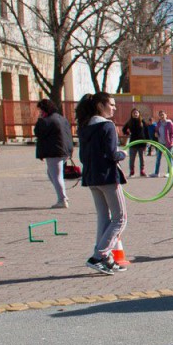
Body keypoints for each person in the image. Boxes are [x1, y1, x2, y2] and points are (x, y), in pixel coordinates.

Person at [76, 92, 127, 276]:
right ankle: (99, 256)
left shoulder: (84, 126)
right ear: (100, 105)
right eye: (111, 104)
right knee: (120, 218)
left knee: (104, 218)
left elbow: (82, 156)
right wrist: (122, 154)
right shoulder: (107, 125)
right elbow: (112, 153)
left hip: (91, 177)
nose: (114, 108)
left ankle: (106, 258)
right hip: (107, 177)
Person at [33, 98, 73, 209]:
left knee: (56, 176)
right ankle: (63, 196)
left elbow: (37, 132)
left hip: (54, 151)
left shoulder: (46, 121)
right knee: (52, 174)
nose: (40, 112)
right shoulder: (61, 118)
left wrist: (40, 119)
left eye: (40, 110)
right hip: (64, 150)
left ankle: (62, 199)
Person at [122, 108, 148, 177]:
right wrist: (127, 133)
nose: (135, 114)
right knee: (132, 158)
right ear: (132, 114)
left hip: (142, 142)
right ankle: (132, 171)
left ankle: (142, 171)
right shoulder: (130, 122)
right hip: (133, 142)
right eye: (134, 113)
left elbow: (146, 131)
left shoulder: (142, 121)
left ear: (139, 114)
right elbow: (124, 129)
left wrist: (147, 141)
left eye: (136, 113)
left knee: (142, 158)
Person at [151, 111, 173, 177]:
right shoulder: (159, 123)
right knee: (158, 158)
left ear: (166, 115)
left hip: (169, 144)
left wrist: (171, 141)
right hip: (161, 143)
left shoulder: (169, 123)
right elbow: (157, 130)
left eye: (163, 115)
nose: (162, 116)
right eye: (160, 115)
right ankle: (156, 173)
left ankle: (169, 172)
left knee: (169, 158)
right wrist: (156, 133)